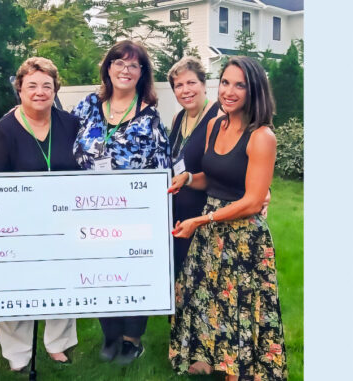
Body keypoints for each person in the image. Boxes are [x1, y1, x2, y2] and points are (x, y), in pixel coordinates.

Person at [167, 56, 287, 381]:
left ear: (254, 91)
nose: (229, 91)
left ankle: (240, 371)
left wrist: (201, 221)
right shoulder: (214, 125)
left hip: (243, 240)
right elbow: (213, 176)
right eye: (225, 82)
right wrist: (190, 179)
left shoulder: (262, 136)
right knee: (212, 303)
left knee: (240, 311)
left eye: (239, 85)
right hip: (212, 233)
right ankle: (215, 361)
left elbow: (251, 201)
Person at [72, 40, 170, 365]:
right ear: (108, 67)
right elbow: (58, 133)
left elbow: (163, 167)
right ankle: (110, 335)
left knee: (131, 273)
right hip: (90, 211)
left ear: (142, 74)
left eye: (133, 65)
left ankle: (132, 339)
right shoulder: (87, 106)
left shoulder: (149, 117)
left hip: (133, 215)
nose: (125, 70)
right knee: (100, 273)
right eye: (119, 62)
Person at [0, 57, 79, 371]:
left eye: (46, 86)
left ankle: (58, 344)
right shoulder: (4, 129)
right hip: (19, 224)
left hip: (64, 221)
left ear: (55, 90)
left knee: (62, 282)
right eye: (32, 86)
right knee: (16, 285)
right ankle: (17, 353)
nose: (40, 92)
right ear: (20, 90)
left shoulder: (69, 123)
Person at [166, 56, 222, 275]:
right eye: (179, 85)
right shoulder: (177, 118)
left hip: (205, 216)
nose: (185, 90)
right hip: (179, 213)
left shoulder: (219, 116)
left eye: (191, 83)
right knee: (180, 283)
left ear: (204, 84)